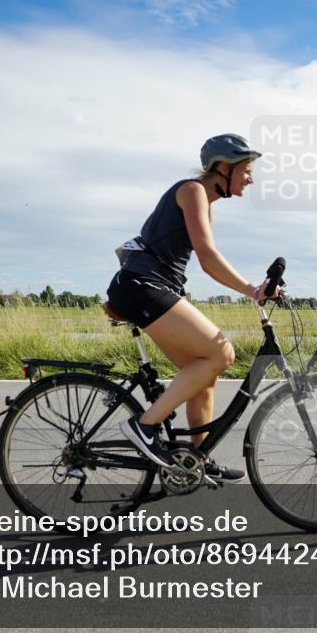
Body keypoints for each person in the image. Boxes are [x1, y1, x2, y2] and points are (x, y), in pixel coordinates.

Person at [106, 134, 279, 481]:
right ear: (223, 169)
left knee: (205, 375)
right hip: (144, 285)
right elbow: (208, 254)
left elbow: (207, 264)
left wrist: (253, 290)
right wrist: (251, 290)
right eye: (246, 170)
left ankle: (195, 460)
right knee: (221, 353)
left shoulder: (206, 203)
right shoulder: (192, 190)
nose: (251, 178)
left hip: (153, 287)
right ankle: (144, 426)